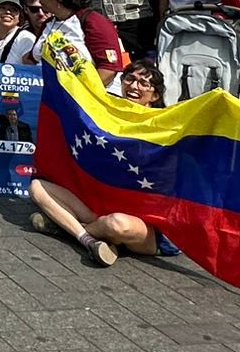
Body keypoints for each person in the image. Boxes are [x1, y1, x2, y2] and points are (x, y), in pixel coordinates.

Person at [28, 60, 181, 268]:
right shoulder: (107, 111)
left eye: (144, 83)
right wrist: (64, 76)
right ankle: (88, 239)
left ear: (155, 95)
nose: (134, 86)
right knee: (37, 187)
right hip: (99, 206)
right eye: (130, 79)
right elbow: (77, 105)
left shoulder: (166, 127)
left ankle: (69, 227)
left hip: (143, 224)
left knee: (117, 224)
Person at [33, 0, 126, 86]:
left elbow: (109, 69)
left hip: (85, 97)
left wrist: (81, 94)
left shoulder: (93, 21)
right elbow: (31, 59)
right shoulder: (48, 23)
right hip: (49, 95)